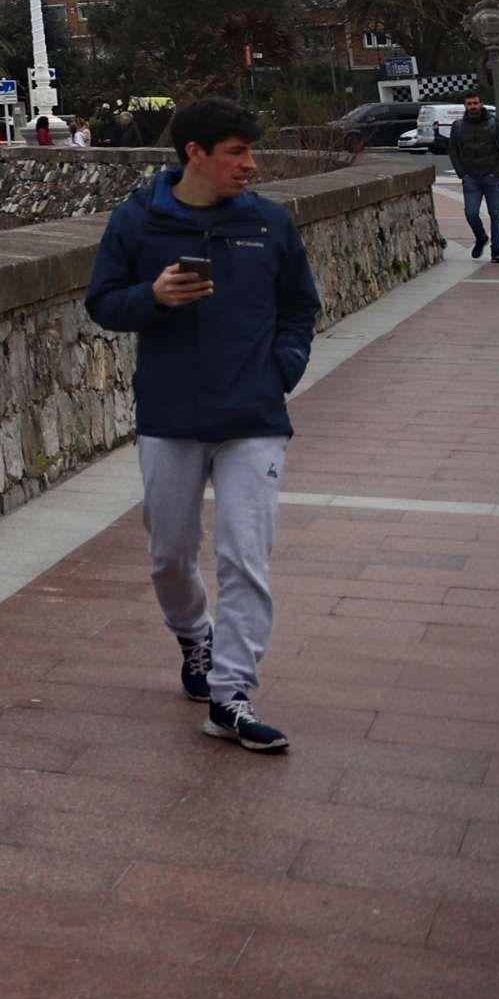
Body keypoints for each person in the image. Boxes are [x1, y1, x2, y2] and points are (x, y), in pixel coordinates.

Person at [83, 95, 319, 758]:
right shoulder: (138, 221)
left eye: (250, 151)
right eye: (237, 152)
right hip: (171, 414)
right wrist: (151, 298)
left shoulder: (270, 224)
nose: (251, 163)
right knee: (170, 555)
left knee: (245, 556)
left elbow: (300, 306)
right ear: (195, 153)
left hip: (254, 415)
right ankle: (194, 635)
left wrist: (284, 368)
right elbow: (102, 304)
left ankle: (232, 695)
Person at [446, 97, 499, 264]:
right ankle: (481, 237)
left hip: (491, 177)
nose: (473, 106)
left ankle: (496, 252)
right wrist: (462, 174)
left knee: (495, 214)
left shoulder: (494, 123)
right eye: (469, 103)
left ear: (481, 104)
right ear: (465, 105)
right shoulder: (458, 126)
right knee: (471, 212)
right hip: (471, 178)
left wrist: (497, 173)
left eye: (475, 103)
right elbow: (453, 151)